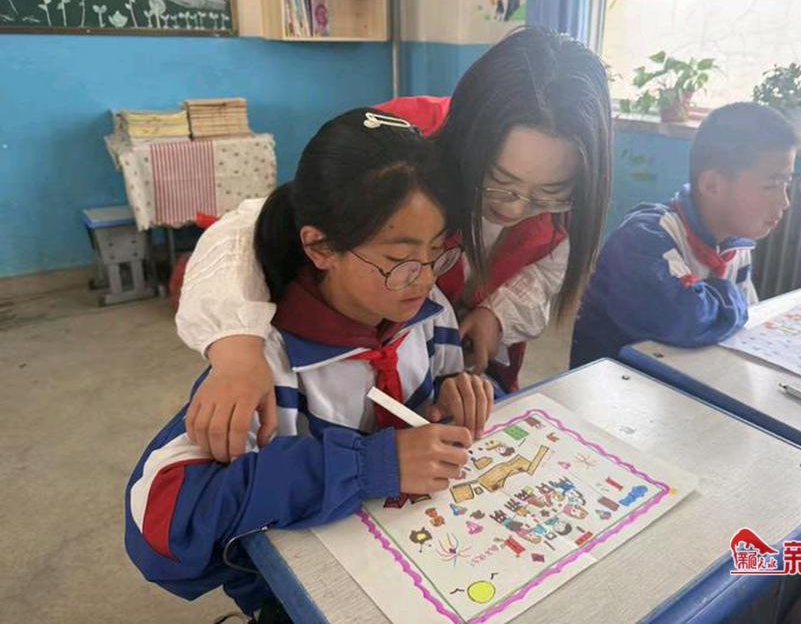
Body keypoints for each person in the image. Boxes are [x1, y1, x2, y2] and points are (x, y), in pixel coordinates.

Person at [177, 26, 613, 462]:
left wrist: (497, 315)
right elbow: (254, 226)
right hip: (354, 354)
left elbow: (547, 268)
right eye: (500, 182)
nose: (516, 209)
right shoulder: (401, 145)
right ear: (469, 142)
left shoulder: (575, 183)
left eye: (550, 194)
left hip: (440, 360)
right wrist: (237, 349)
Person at [126, 109, 493, 617]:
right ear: (320, 247)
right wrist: (368, 466)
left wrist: (458, 390)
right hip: (304, 593)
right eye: (399, 261)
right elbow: (162, 527)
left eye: (439, 252)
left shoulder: (430, 314)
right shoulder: (263, 367)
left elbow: (439, 392)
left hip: (420, 557)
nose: (426, 278)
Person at [570, 102, 798, 367]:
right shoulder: (644, 238)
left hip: (685, 373)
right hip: (614, 382)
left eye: (786, 184)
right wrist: (732, 297)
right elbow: (684, 319)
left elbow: (741, 324)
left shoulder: (736, 247)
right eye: (771, 185)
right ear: (711, 185)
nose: (785, 202)